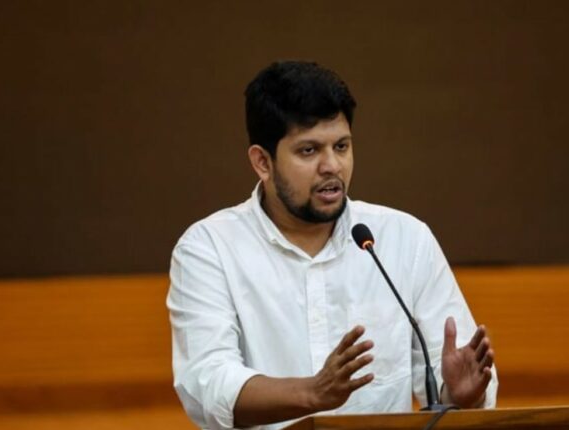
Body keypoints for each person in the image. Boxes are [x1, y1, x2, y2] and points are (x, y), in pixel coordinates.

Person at [167, 61, 498, 430]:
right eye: (309, 151)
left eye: (341, 146)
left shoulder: (405, 240)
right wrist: (313, 393)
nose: (332, 166)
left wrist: (463, 396)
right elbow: (208, 383)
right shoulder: (210, 248)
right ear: (263, 162)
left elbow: (454, 375)